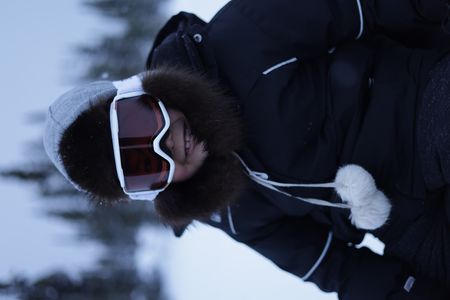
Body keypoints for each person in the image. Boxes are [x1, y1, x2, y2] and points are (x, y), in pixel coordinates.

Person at [43, 0, 450, 298]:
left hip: (417, 110)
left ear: (144, 92)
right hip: (405, 221)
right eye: (145, 164)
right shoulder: (231, 210)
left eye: (140, 122)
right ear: (152, 190)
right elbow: (331, 265)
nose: (165, 144)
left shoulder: (240, 38)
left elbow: (365, 6)